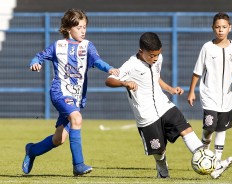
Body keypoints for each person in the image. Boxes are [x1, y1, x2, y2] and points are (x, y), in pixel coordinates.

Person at [22, 8, 119, 176]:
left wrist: (109, 68)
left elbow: (98, 61)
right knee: (77, 118)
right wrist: (34, 63)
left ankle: (32, 150)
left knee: (58, 139)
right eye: (79, 27)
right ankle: (78, 165)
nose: (83, 31)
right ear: (68, 29)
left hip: (75, 97)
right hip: (59, 92)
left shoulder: (87, 46)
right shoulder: (57, 46)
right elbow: (39, 56)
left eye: (84, 27)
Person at [105, 32, 205, 179]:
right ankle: (162, 170)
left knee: (186, 129)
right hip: (146, 114)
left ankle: (210, 162)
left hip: (163, 105)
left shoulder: (158, 59)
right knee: (159, 151)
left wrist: (170, 89)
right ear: (141, 51)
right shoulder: (130, 65)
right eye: (152, 55)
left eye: (158, 54)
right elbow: (109, 80)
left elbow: (156, 78)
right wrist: (124, 83)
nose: (155, 58)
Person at [187, 12, 232, 179]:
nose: (221, 30)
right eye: (217, 27)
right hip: (209, 94)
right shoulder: (207, 47)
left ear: (229, 28)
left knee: (222, 128)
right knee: (210, 127)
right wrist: (191, 92)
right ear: (213, 28)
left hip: (227, 95)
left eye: (224, 27)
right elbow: (197, 71)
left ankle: (217, 163)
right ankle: (205, 148)